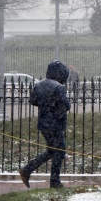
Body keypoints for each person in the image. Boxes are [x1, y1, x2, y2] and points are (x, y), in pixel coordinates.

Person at [20, 60, 71, 189]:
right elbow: (66, 105)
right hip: (55, 124)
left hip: (43, 123)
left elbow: (33, 100)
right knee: (59, 151)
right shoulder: (59, 86)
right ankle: (54, 181)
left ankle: (27, 170)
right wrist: (57, 114)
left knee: (51, 150)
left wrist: (46, 107)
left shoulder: (39, 85)